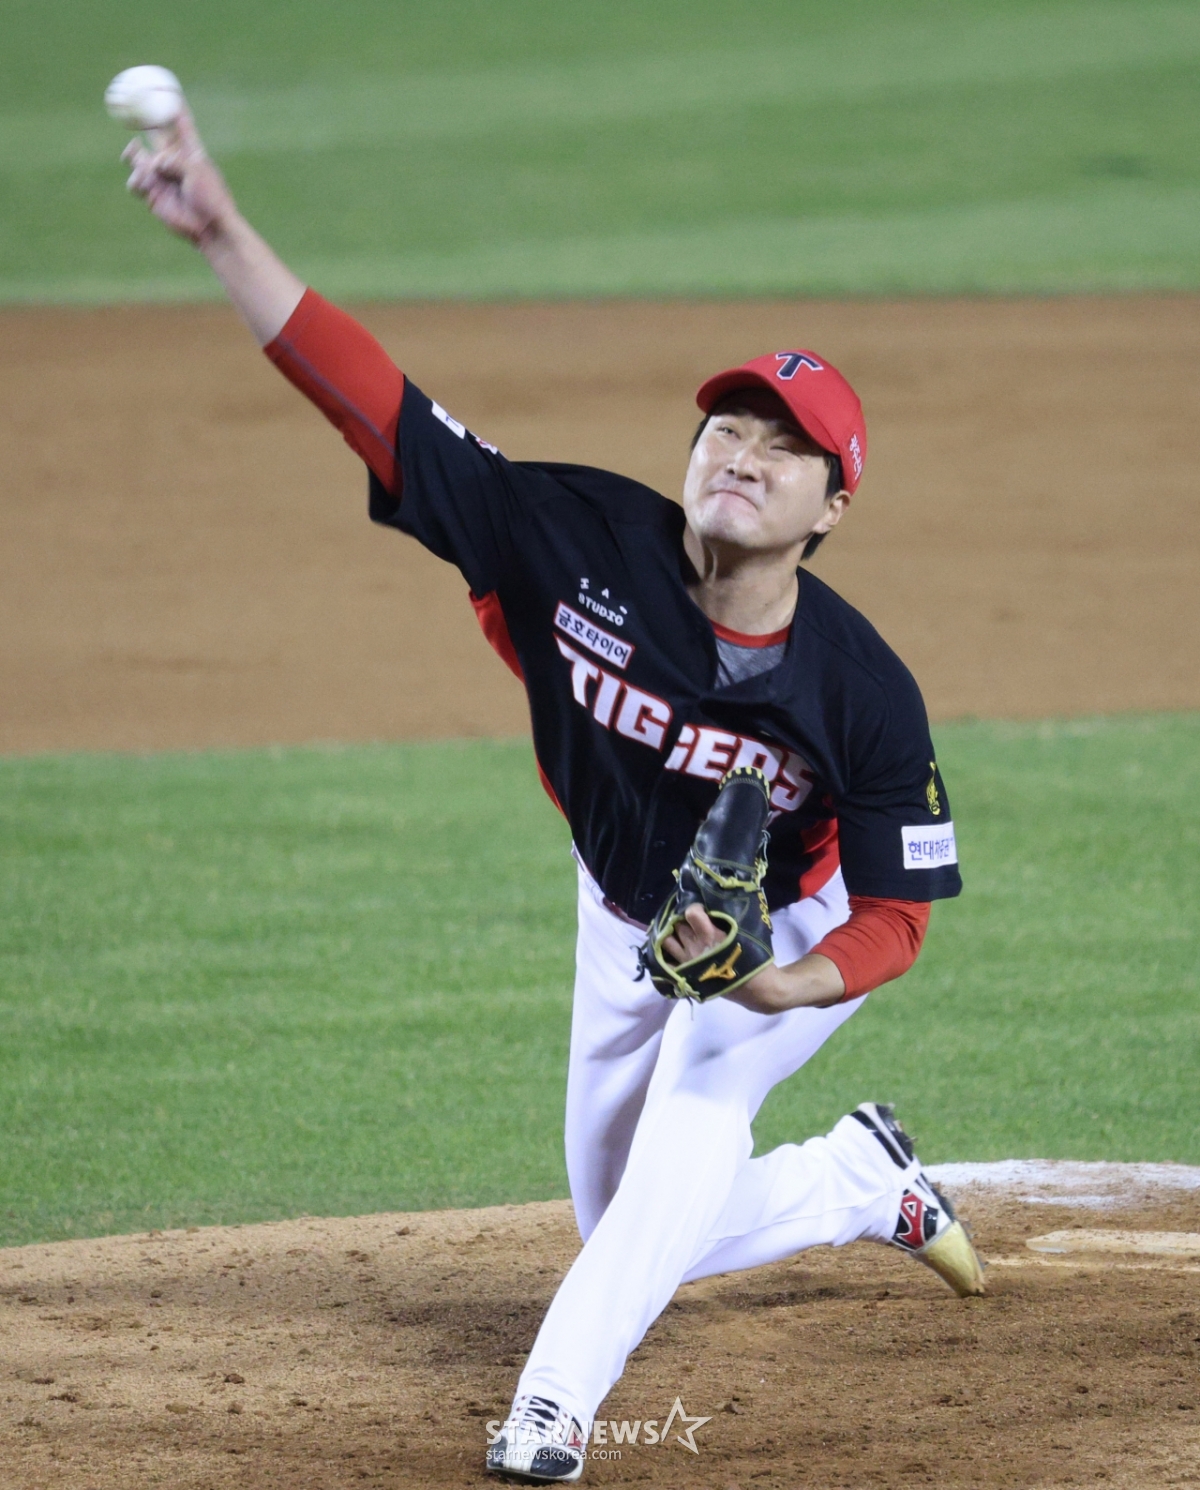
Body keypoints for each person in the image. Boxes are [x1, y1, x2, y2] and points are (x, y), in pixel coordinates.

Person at [121, 110, 981, 1486]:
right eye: (726, 426)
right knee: (620, 1215)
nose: (741, 453)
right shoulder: (573, 538)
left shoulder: (865, 692)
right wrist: (221, 229)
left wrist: (777, 984)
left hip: (783, 926)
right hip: (617, 904)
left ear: (834, 506)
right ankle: (854, 1179)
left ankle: (551, 1409)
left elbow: (899, 915)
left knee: (692, 1130)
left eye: (785, 446)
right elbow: (382, 408)